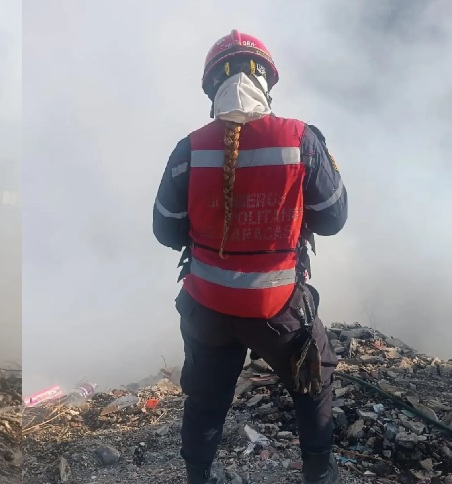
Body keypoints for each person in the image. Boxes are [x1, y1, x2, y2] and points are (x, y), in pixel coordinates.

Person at [152, 30, 348, 484]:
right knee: (312, 380)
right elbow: (332, 218)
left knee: (205, 395)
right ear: (268, 82)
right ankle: (319, 470)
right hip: (277, 308)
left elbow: (165, 230)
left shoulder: (189, 148)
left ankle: (200, 474)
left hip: (207, 305)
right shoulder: (301, 139)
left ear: (209, 88)